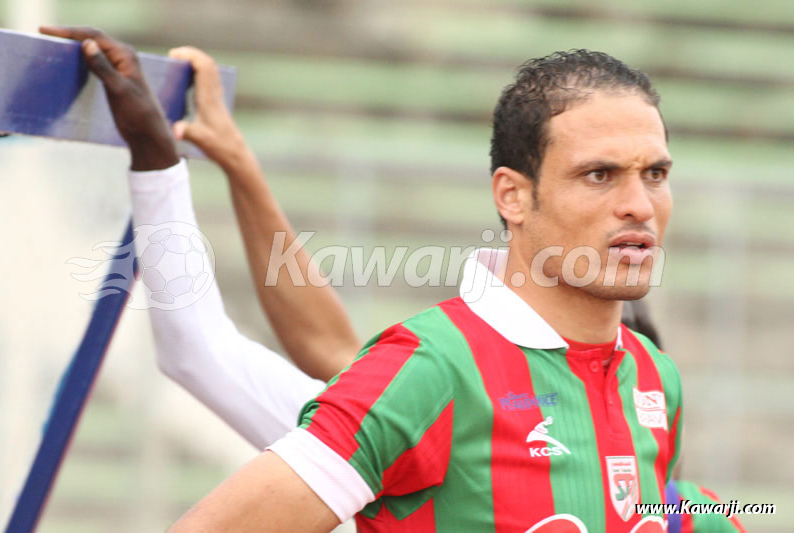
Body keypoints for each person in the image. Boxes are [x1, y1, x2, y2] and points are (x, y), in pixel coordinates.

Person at [37, 26, 737, 532]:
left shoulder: (653, 389)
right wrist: (164, 162)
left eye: (657, 174)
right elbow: (260, 353)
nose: (639, 204)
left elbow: (690, 504)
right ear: (513, 196)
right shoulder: (431, 372)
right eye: (600, 174)